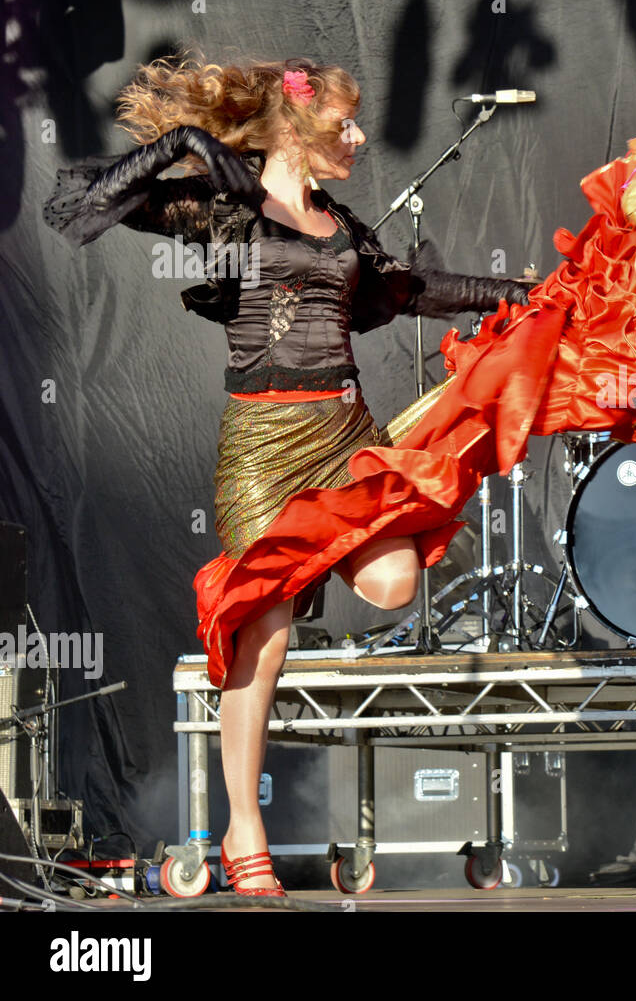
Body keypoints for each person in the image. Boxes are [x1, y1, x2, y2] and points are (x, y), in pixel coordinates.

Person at [44, 53, 532, 895]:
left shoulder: (339, 224)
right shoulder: (228, 210)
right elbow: (79, 206)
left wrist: (516, 293)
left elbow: (413, 289)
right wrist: (184, 141)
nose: (359, 136)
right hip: (264, 447)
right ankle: (243, 827)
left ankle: (247, 818)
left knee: (392, 580)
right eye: (344, 124)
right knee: (260, 642)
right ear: (297, 133)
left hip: (343, 433)